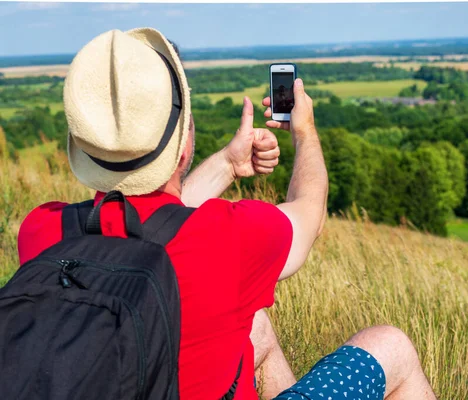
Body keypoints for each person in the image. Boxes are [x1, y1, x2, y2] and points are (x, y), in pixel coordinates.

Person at [17, 28, 436, 400]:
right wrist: (305, 132)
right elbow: (309, 213)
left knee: (255, 326)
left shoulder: (42, 232)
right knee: (391, 345)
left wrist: (229, 165)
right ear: (183, 144)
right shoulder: (232, 239)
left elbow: (154, 227)